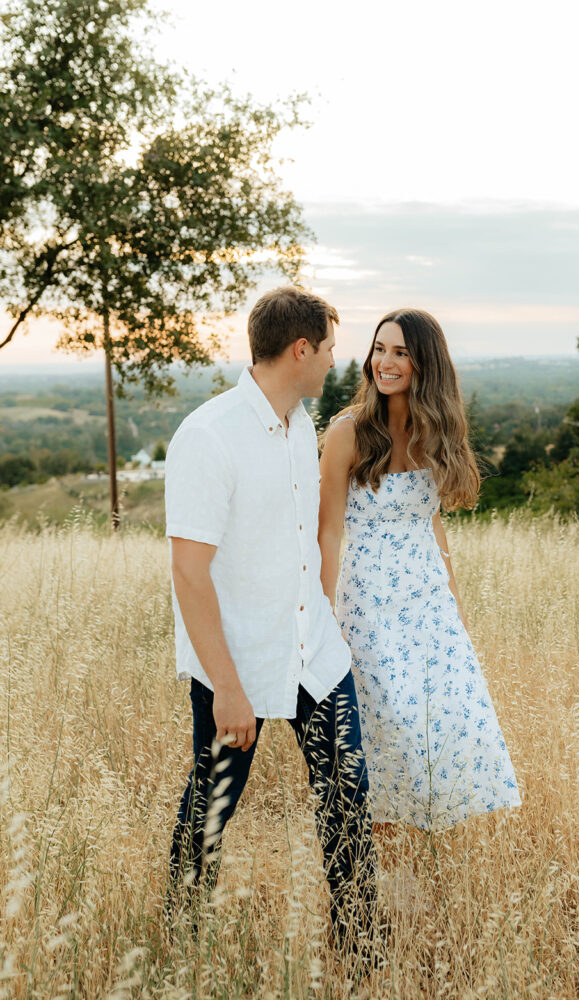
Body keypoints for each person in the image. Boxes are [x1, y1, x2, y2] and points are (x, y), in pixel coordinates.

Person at [164, 286, 377, 957]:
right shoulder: (208, 436)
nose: (334, 363)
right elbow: (189, 573)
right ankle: (182, 943)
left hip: (313, 651)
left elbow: (300, 542)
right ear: (301, 349)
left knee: (346, 799)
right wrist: (227, 686)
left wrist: (327, 618)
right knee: (213, 805)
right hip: (240, 662)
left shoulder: (296, 432)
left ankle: (361, 947)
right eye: (330, 350)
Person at [318, 309, 521, 831]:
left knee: (444, 730)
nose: (384, 362)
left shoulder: (435, 433)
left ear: (424, 364)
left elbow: (432, 524)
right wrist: (323, 615)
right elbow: (327, 532)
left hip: (428, 608)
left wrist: (455, 610)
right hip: (369, 608)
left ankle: (420, 866)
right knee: (390, 733)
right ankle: (379, 874)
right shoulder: (347, 434)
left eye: (401, 353)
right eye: (379, 349)